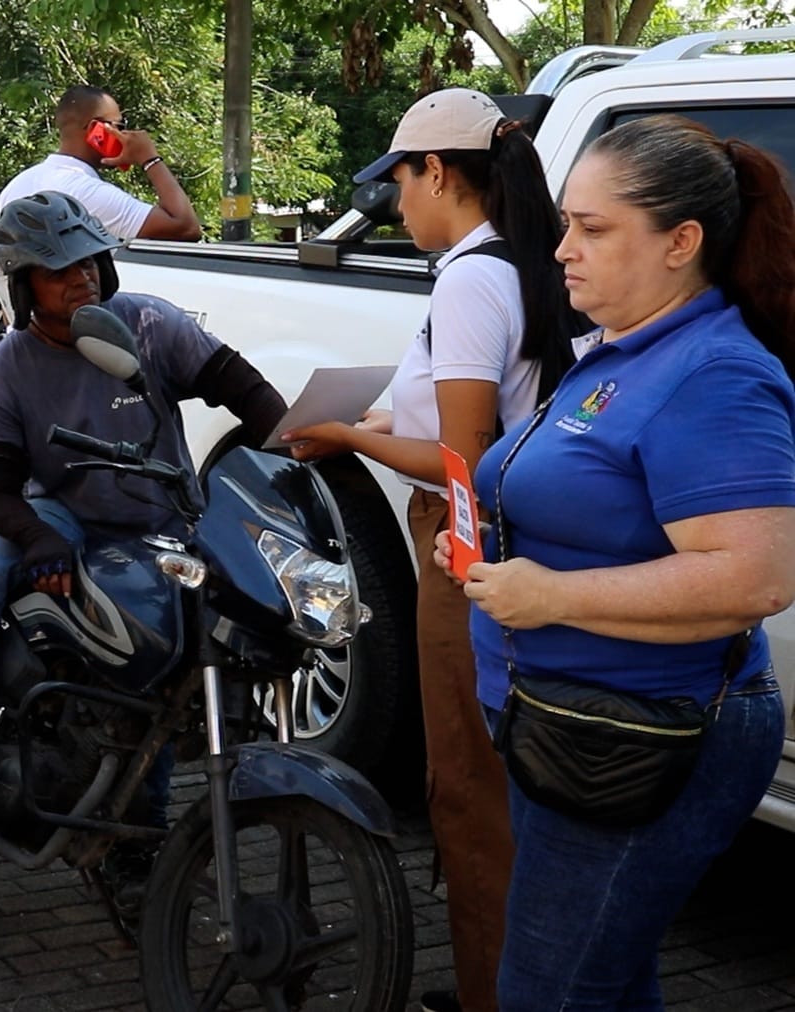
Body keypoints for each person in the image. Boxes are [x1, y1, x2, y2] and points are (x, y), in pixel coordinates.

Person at [435, 115, 795, 1008]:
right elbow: (599, 507)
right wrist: (492, 552)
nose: (562, 250)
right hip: (569, 726)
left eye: (593, 229)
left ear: (682, 242)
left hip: (641, 738)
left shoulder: (712, 373)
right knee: (606, 976)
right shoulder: (621, 352)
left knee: (551, 994)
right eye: (565, 223)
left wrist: (550, 596)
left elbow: (757, 576)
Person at [278, 88, 583, 1012]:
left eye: (399, 182)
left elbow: (466, 457)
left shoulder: (468, 276)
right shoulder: (515, 259)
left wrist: (352, 438)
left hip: (468, 542)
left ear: (439, 172)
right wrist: (381, 416)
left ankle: (495, 993)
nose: (395, 202)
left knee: (466, 783)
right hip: (525, 540)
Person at [0, 192, 284, 839]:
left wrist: (297, 445)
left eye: (90, 262)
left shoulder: (151, 324)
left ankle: (138, 836)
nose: (82, 278)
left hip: (166, 522)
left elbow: (245, 390)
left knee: (163, 670)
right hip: (66, 516)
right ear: (23, 288)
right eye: (59, 270)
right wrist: (36, 535)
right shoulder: (5, 370)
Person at [0, 86, 203, 321]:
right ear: (97, 130)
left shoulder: (16, 185)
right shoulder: (85, 190)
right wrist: (149, 158)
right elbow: (185, 227)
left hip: (33, 332)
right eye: (120, 126)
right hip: (81, 331)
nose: (125, 135)